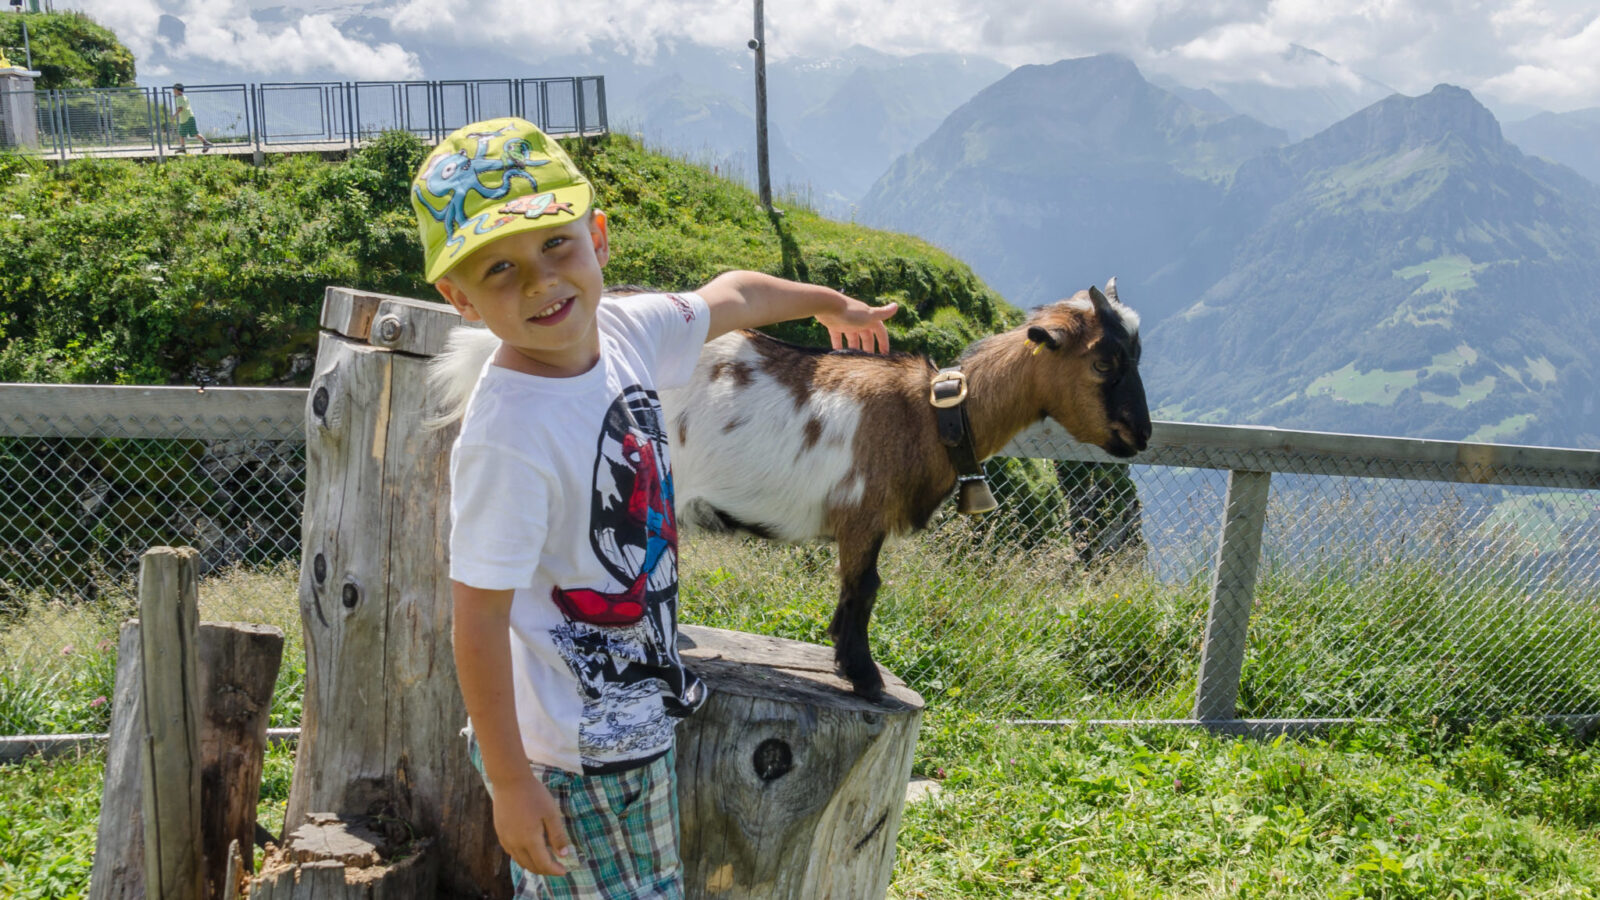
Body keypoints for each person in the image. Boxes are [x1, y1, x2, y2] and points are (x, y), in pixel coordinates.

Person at [412, 117, 896, 899]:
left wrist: (829, 304)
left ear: (597, 238)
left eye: (555, 246)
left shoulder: (624, 330)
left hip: (635, 722)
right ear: (458, 298)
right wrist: (508, 781)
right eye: (498, 268)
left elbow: (733, 296)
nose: (540, 282)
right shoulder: (508, 433)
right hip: (566, 759)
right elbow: (476, 619)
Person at [171, 84, 211, 154]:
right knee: (193, 132)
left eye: (174, 90)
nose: (173, 91)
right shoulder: (184, 97)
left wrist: (174, 116)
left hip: (185, 119)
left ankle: (183, 148)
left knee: (181, 133)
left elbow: (180, 108)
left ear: (178, 90)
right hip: (190, 117)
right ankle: (205, 143)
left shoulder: (178, 98)